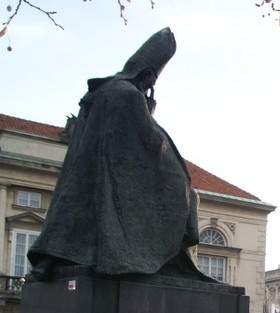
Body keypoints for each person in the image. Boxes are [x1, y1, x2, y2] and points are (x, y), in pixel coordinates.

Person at [28, 28, 212, 282]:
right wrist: (147, 111)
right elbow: (152, 143)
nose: (149, 86)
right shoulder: (127, 94)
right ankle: (164, 261)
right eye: (150, 81)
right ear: (147, 74)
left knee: (72, 210)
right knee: (185, 192)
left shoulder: (98, 91)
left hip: (83, 174)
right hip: (113, 174)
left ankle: (50, 258)